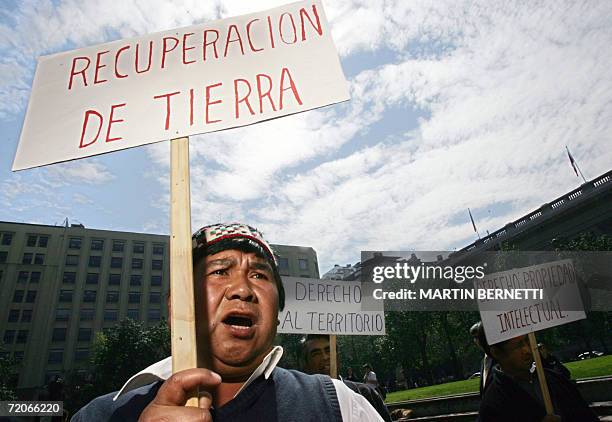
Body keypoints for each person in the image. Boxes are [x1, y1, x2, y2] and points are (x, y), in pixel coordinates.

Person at [72, 223, 383, 421]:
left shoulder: (342, 408)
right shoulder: (98, 416)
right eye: (220, 272)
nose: (243, 290)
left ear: (278, 313)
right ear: (176, 306)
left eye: (259, 275)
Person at [478, 333, 598, 422]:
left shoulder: (555, 379)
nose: (527, 350)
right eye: (519, 345)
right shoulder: (492, 403)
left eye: (527, 341)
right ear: (497, 352)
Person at [300, 334, 392, 422]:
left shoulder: (365, 393)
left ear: (338, 356)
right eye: (316, 354)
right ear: (306, 364)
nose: (325, 357)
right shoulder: (301, 403)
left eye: (328, 350)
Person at [470, 321, 495, 395]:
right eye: (475, 338)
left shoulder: (497, 356)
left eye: (479, 337)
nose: (477, 341)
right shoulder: (483, 361)